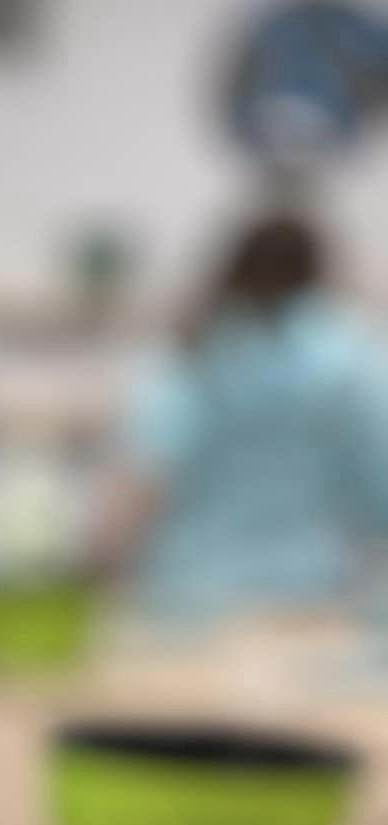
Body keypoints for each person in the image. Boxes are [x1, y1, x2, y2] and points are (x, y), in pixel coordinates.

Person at [98, 212, 388, 618]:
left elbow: (143, 479)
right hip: (313, 598)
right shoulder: (354, 352)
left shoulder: (194, 345)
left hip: (190, 598)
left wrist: (98, 571)